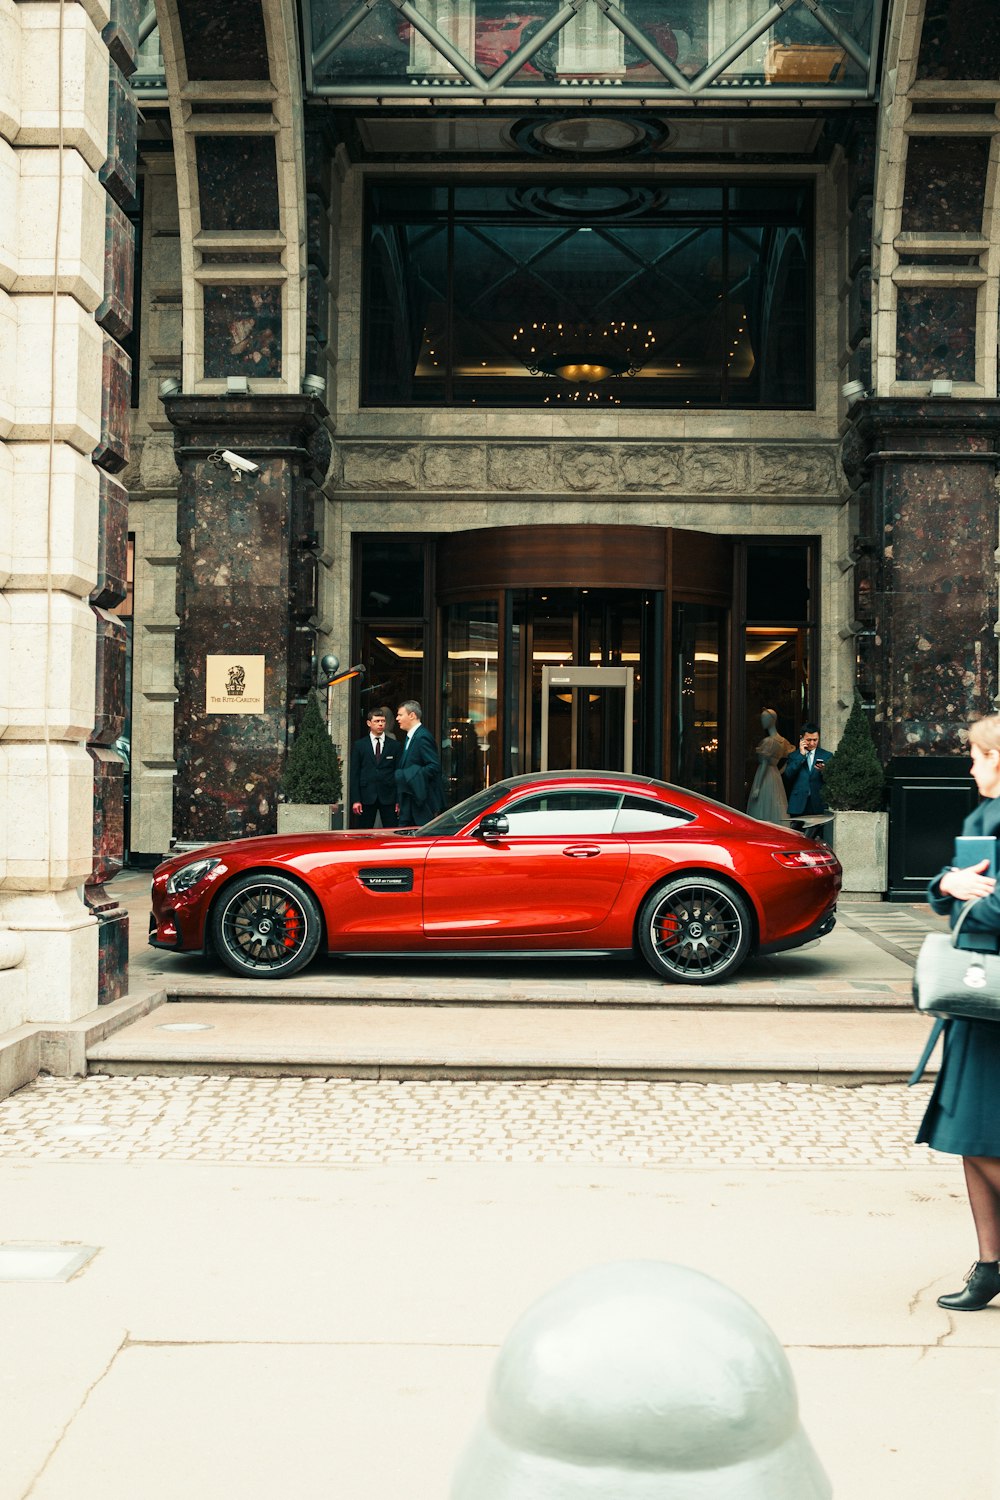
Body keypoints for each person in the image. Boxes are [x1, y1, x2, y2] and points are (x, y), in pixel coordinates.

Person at [916, 713, 1000, 1311]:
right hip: (977, 1000)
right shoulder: (981, 817)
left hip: (996, 1000)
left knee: (986, 1138)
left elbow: (988, 912)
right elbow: (948, 894)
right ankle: (990, 1266)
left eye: (978, 755)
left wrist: (961, 895)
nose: (970, 767)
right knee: (970, 1137)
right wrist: (947, 884)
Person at [395, 700, 446, 826]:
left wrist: (410, 775)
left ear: (412, 715)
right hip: (409, 803)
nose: (397, 718)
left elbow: (434, 766)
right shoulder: (410, 737)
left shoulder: (423, 736)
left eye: (400, 715)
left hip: (421, 803)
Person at [349, 707, 399, 828]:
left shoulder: (394, 745)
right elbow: (354, 773)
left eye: (383, 721)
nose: (380, 724)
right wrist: (356, 800)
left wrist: (398, 800)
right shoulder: (360, 745)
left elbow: (397, 773)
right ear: (369, 723)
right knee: (364, 833)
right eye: (377, 721)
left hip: (388, 795)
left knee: (391, 831)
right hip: (366, 795)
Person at [747, 709, 794, 825]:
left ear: (772, 720)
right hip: (775, 775)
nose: (762, 721)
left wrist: (757, 786)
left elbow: (764, 764)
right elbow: (790, 758)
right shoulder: (783, 742)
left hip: (765, 776)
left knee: (763, 804)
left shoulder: (768, 742)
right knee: (775, 804)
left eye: (764, 718)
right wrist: (779, 772)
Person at [782, 722, 832, 817]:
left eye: (815, 740)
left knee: (818, 832)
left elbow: (833, 779)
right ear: (802, 738)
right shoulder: (794, 756)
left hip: (818, 803)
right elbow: (788, 775)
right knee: (797, 832)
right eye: (809, 740)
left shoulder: (826, 756)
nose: (812, 743)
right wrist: (801, 756)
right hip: (798, 804)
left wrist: (824, 771)